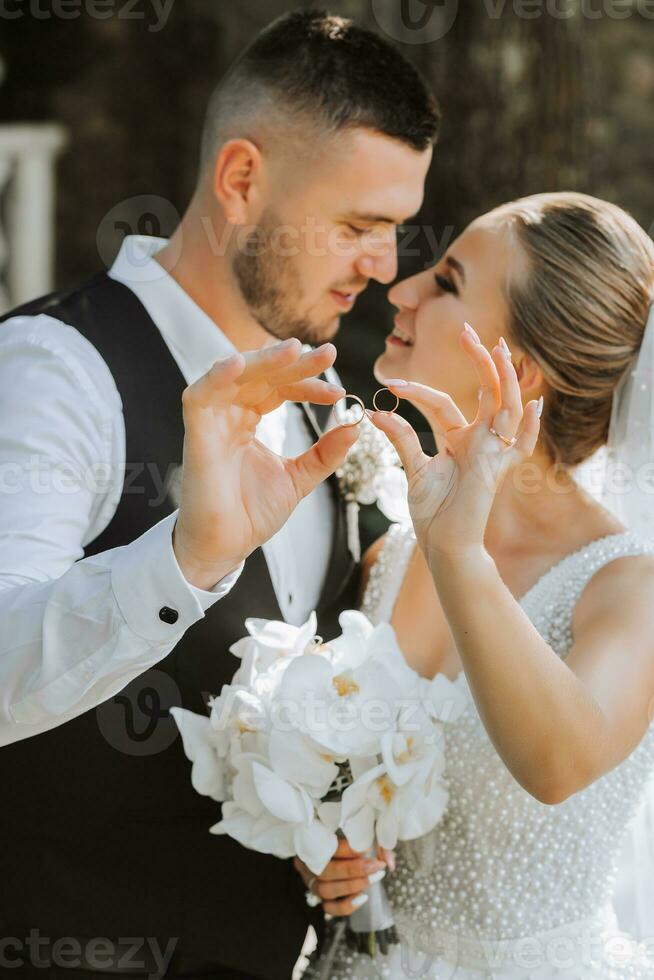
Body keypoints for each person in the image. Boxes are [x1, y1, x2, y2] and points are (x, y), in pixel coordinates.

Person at [0, 11, 438, 980]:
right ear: (242, 180)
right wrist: (185, 558)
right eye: (358, 224)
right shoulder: (54, 370)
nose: (384, 266)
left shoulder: (329, 407)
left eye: (398, 230)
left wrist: (341, 822)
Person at [300, 192, 654, 979]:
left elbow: (559, 765)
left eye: (449, 282)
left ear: (518, 371)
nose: (402, 290)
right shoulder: (386, 549)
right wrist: (322, 847)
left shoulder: (629, 588)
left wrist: (460, 552)